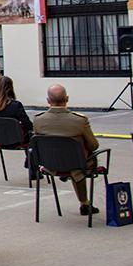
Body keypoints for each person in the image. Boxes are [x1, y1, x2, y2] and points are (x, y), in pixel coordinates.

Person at [32, 85, 100, 216]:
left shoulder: (38, 120)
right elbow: (93, 145)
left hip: (50, 164)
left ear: (48, 100)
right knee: (80, 161)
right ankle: (84, 203)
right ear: (67, 98)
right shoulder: (79, 120)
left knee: (73, 159)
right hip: (78, 165)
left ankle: (80, 196)